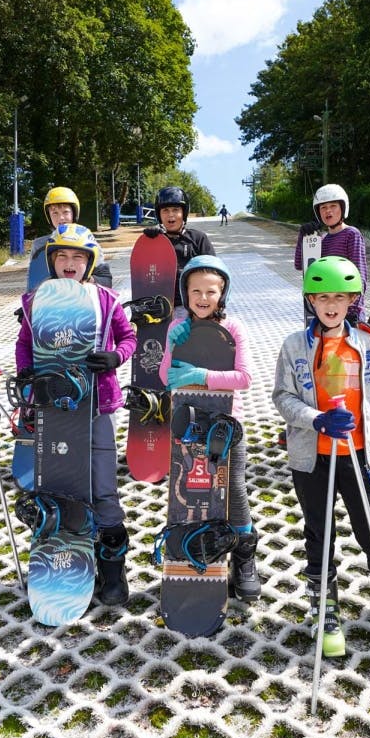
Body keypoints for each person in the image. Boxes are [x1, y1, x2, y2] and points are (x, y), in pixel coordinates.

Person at [272, 256, 370, 657]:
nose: (331, 305)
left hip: (356, 453)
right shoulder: (294, 345)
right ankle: (326, 606)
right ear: (311, 300)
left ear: (352, 300)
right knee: (320, 534)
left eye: (340, 297)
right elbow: (282, 397)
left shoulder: (365, 342)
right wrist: (316, 419)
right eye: (323, 296)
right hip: (312, 457)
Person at [15, 224, 137, 605]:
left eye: (79, 257)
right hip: (54, 408)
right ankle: (60, 566)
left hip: (98, 406)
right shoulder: (36, 302)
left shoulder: (106, 299)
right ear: (52, 261)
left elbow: (129, 337)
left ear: (90, 262)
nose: (70, 263)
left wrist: (115, 356)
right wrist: (30, 388)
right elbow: (25, 348)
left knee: (102, 487)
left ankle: (112, 570)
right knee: (58, 486)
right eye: (63, 257)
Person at [158, 255, 260, 601]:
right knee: (192, 492)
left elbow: (244, 378)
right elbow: (164, 377)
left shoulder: (234, 328)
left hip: (226, 425)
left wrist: (201, 376)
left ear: (223, 293)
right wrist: (175, 347)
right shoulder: (177, 328)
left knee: (231, 490)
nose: (203, 298)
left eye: (211, 291)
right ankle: (194, 550)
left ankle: (244, 557)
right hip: (187, 425)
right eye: (195, 290)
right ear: (185, 294)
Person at [293, 184, 370, 332]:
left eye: (333, 206)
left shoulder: (352, 234)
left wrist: (353, 309)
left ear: (343, 208)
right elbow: (301, 265)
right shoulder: (321, 240)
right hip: (326, 313)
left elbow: (360, 275)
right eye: (323, 207)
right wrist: (304, 238)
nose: (328, 211)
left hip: (348, 312)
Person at [143, 186, 215, 310]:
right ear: (159, 215)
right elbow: (145, 274)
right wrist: (148, 244)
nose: (171, 215)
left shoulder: (198, 238)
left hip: (192, 306)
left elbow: (214, 274)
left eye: (176, 210)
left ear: (184, 213)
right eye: (165, 210)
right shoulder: (156, 240)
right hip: (162, 306)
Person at [31, 186, 112, 287]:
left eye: (65, 212)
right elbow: (32, 284)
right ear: (49, 216)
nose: (61, 218)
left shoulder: (88, 241)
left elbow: (106, 280)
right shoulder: (39, 245)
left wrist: (87, 280)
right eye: (55, 213)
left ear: (74, 213)